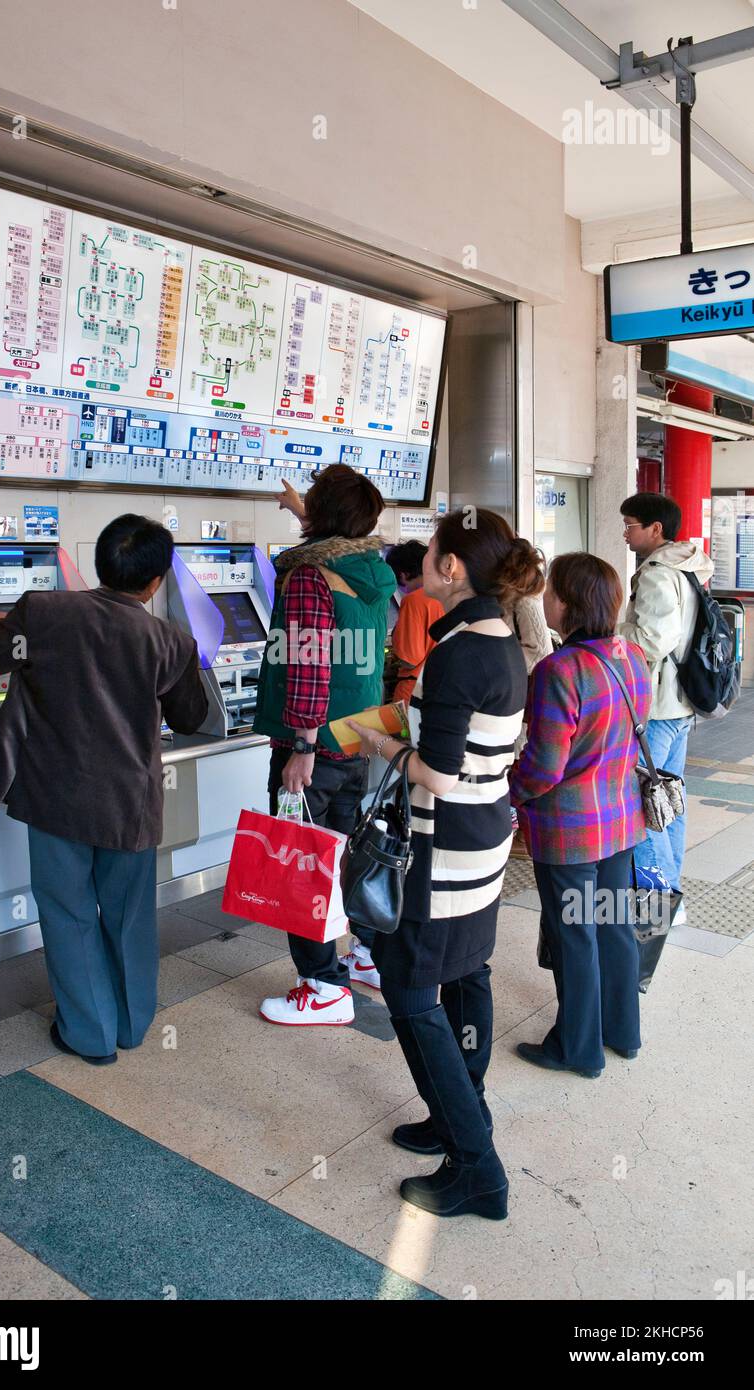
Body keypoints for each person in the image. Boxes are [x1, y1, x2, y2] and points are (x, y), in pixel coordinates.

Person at [346, 509, 542, 1220]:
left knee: (410, 989)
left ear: (453, 567)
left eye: (432, 551)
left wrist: (380, 743)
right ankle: (459, 1110)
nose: (424, 558)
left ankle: (477, 1168)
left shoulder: (461, 651)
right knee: (465, 973)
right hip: (482, 838)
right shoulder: (498, 639)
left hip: (444, 842)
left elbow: (440, 774)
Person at [0, 515, 208, 1065]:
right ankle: (133, 1023)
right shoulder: (170, 640)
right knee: (130, 916)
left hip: (56, 800)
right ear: (157, 580)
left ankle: (88, 1034)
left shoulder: (44, 614)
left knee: (68, 914)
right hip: (132, 804)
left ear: (99, 563)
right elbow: (193, 717)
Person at [253, 466, 395, 1021]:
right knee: (341, 857)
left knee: (302, 865)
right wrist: (300, 509)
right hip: (357, 739)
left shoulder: (311, 577)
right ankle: (366, 956)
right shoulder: (370, 571)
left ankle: (323, 986)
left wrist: (301, 748)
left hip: (313, 745)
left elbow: (308, 662)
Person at [510, 552, 651, 1079]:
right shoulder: (631, 656)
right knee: (614, 925)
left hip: (570, 830)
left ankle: (577, 1049)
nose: (543, 600)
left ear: (568, 603)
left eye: (549, 592)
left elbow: (544, 766)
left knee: (574, 935)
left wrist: (511, 792)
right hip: (621, 818)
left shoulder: (558, 670)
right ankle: (622, 1032)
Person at [618, 492, 714, 924]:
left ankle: (659, 900)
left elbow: (655, 640)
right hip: (681, 705)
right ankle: (671, 891)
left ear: (655, 529)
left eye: (631, 524)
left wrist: (611, 633)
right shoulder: (688, 566)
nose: (625, 532)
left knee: (645, 805)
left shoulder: (657, 573)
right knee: (669, 801)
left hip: (656, 709)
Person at [384, 540, 444, 705]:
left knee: (403, 731)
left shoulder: (413, 600)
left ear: (403, 575)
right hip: (441, 686)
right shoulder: (447, 594)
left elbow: (409, 658)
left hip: (414, 689)